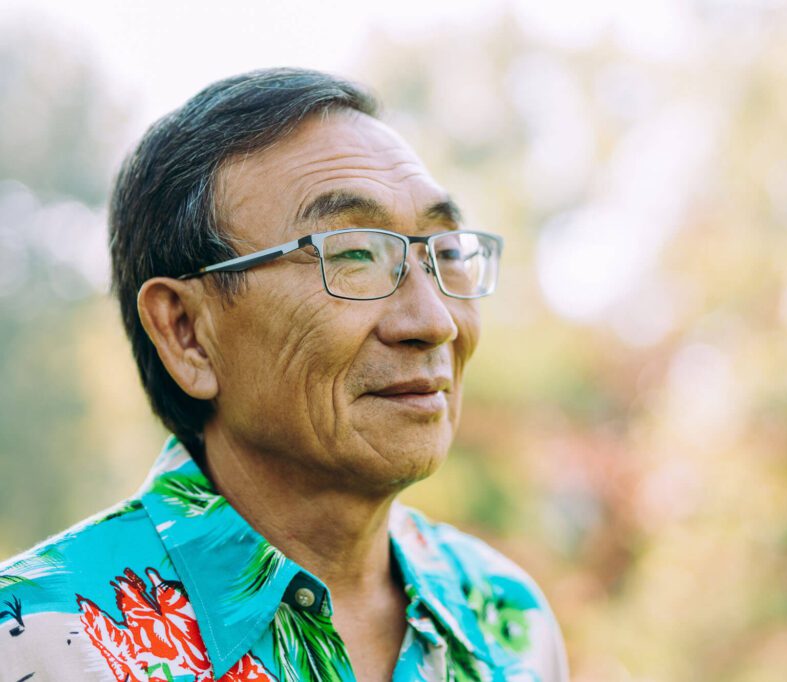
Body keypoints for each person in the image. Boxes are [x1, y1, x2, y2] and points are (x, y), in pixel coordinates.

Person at [0, 68, 568, 682]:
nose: (435, 322)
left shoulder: (507, 622)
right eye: (352, 253)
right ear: (187, 333)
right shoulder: (41, 641)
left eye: (445, 252)